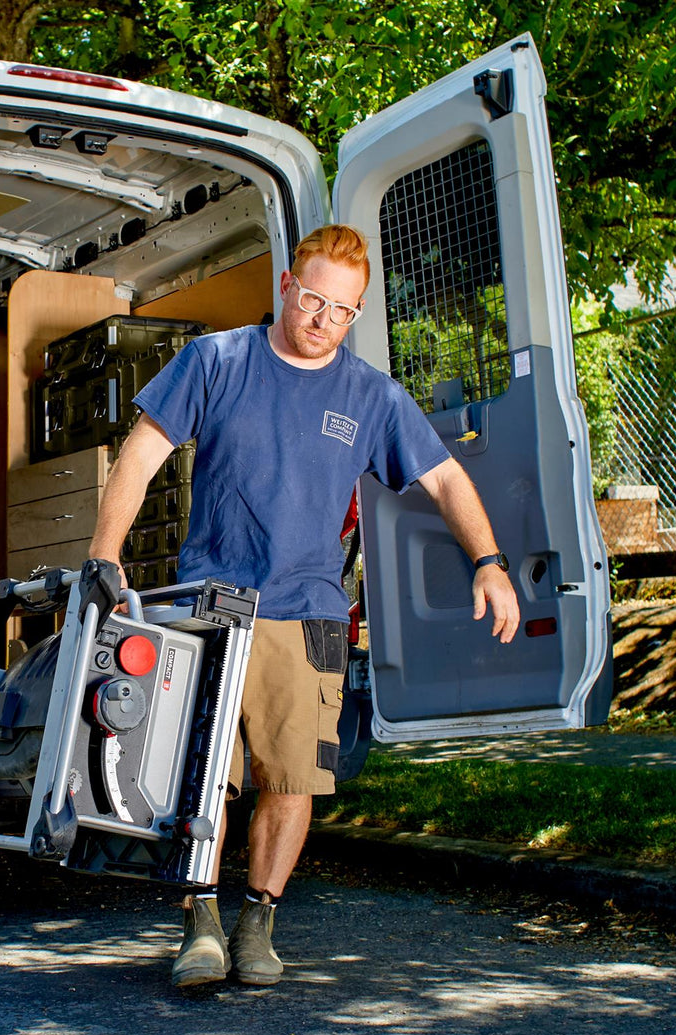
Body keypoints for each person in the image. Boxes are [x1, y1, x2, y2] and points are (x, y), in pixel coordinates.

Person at [87, 224, 520, 989]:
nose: (323, 320)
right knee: (202, 778)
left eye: (342, 310)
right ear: (286, 285)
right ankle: (202, 923)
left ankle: (259, 920)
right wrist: (104, 552)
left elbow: (448, 480)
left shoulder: (371, 395)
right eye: (313, 299)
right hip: (213, 608)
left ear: (355, 316)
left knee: (291, 782)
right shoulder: (218, 361)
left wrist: (488, 562)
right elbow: (143, 451)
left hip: (311, 614)